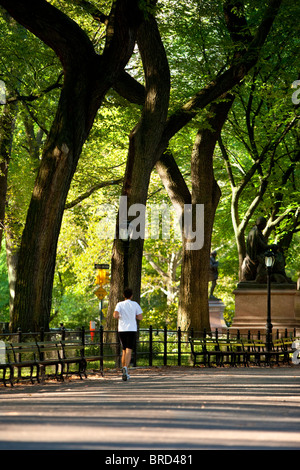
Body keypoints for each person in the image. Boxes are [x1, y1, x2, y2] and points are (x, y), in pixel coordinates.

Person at [113, 288, 143, 381]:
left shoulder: (119, 304)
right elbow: (140, 317)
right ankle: (126, 369)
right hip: (131, 329)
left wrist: (119, 316)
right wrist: (134, 316)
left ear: (123, 295)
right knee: (129, 349)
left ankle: (123, 369)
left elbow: (115, 315)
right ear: (131, 295)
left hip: (122, 329)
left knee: (124, 350)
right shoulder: (135, 304)